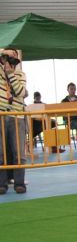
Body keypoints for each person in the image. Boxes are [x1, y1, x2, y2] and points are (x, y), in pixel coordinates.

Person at [0, 48, 28, 194]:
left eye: (14, 58)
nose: (10, 60)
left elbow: (21, 92)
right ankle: (1, 184)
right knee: (0, 152)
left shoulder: (20, 74)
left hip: (17, 116)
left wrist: (11, 74)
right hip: (1, 115)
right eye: (7, 57)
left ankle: (20, 183)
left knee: (19, 153)